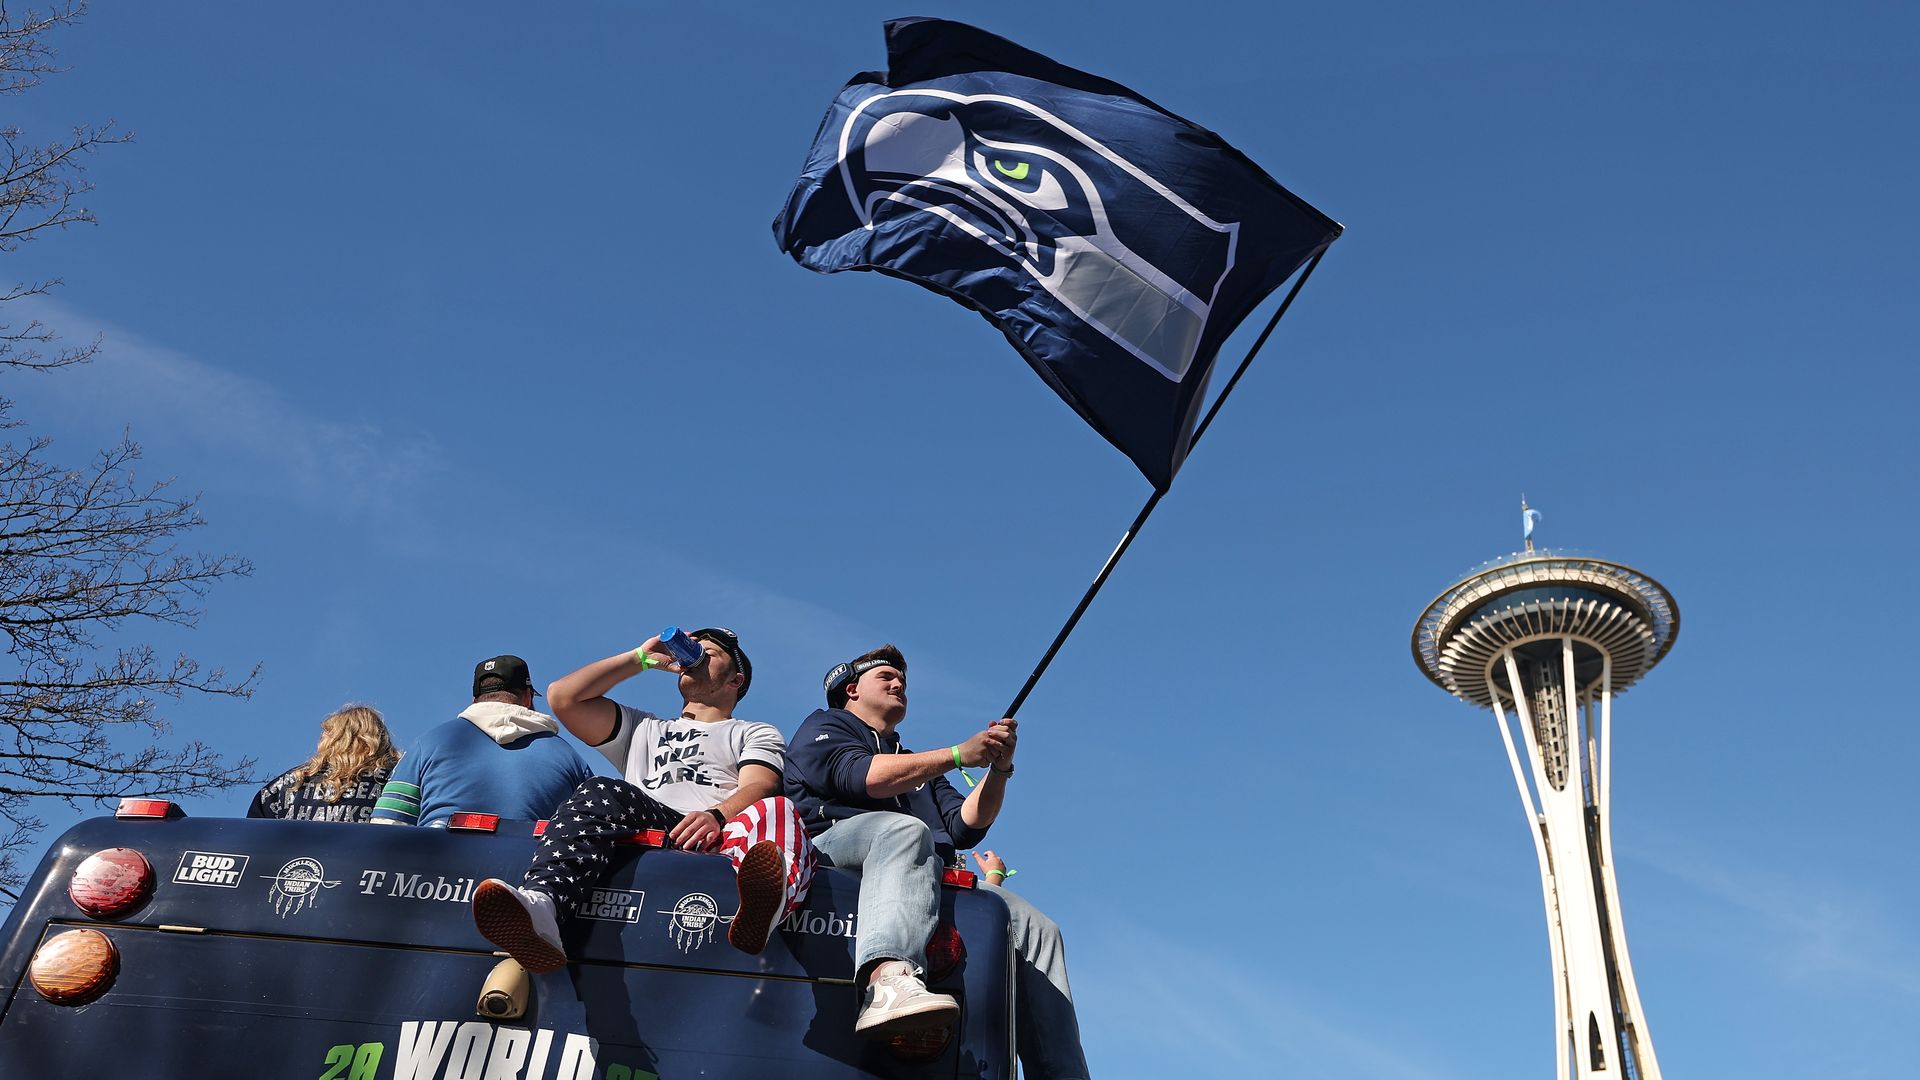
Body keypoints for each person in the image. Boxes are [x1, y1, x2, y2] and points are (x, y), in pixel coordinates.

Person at [784, 645, 1089, 1078]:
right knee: (903, 830)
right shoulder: (825, 725)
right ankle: (887, 983)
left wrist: (998, 770)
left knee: (1036, 927)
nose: (898, 684)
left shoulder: (919, 766)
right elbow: (861, 777)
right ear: (851, 689)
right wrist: (960, 753)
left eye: (903, 680)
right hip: (834, 851)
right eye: (886, 677)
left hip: (923, 870)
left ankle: (1061, 1072)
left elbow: (966, 825)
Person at [471, 627, 816, 971]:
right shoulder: (643, 728)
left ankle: (767, 905)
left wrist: (716, 815)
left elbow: (761, 785)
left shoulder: (752, 731)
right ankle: (543, 909)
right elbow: (564, 698)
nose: (692, 657)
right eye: (690, 650)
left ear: (735, 680)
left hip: (722, 834)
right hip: (654, 828)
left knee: (777, 809)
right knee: (600, 789)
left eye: (707, 654)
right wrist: (640, 659)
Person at [371, 655, 593, 827]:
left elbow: (387, 826)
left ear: (475, 700)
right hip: (525, 878)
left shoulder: (428, 744)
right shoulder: (569, 758)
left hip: (435, 878)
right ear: (527, 698)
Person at [247, 704, 401, 822]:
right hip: (371, 863)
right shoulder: (399, 779)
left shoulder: (290, 782)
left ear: (335, 738)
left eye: (326, 732)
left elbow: (252, 837)